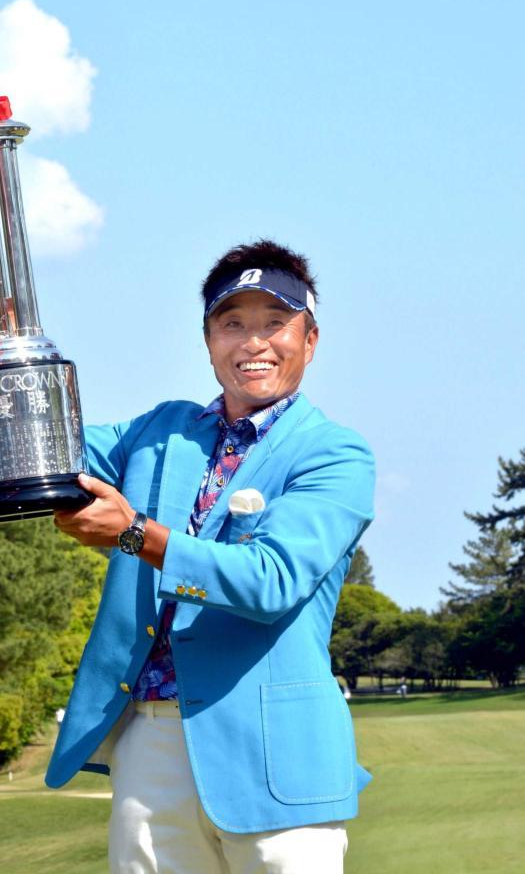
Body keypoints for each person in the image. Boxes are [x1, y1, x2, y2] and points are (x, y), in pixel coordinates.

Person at [49, 240, 375, 874]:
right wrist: (2, 349)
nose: (253, 343)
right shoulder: (160, 429)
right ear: (207, 339)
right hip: (150, 743)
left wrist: (136, 533)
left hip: (278, 755)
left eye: (274, 324)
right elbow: (42, 448)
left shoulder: (335, 454)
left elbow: (271, 582)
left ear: (310, 341)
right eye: (233, 324)